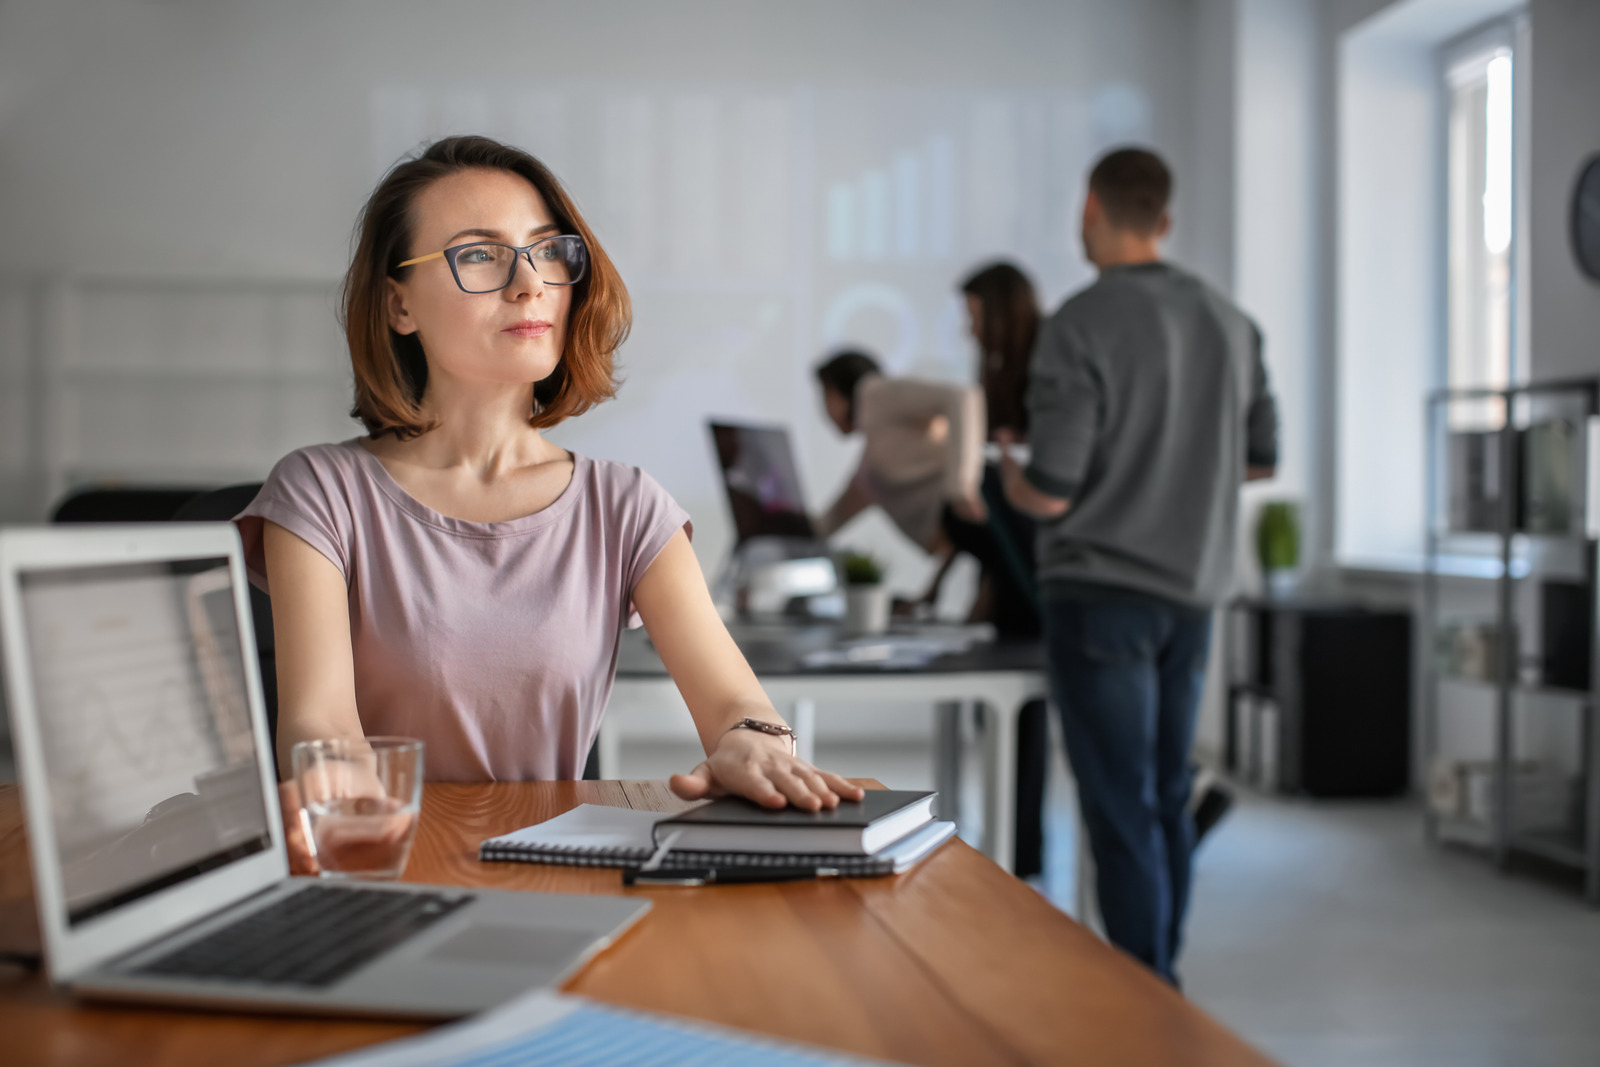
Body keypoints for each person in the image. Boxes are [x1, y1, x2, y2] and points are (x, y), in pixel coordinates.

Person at [235, 136, 863, 871]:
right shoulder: (320, 495)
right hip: (386, 865)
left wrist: (754, 743)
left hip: (564, 875)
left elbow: (737, 704)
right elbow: (321, 724)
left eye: (546, 252)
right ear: (398, 302)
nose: (529, 283)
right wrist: (334, 786)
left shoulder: (626, 507)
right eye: (479, 256)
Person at [1000, 147, 1278, 984]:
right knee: (1162, 799)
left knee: (1120, 809)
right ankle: (1163, 982)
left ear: (1090, 208)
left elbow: (1051, 490)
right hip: (1193, 596)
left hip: (1102, 596)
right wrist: (1176, 465)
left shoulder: (1079, 323)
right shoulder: (1232, 322)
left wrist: (1009, 467)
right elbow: (1260, 460)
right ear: (1165, 219)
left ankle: (1146, 997)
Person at [937, 261, 1050, 878]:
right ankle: (1019, 848)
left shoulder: (1047, 366)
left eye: (976, 316)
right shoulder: (1000, 377)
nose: (970, 330)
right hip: (1018, 568)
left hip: (1041, 559)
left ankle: (1023, 850)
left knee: (1031, 713)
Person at [812, 350, 986, 555]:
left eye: (825, 395)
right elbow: (826, 524)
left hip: (985, 501)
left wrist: (961, 487)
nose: (824, 409)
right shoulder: (871, 467)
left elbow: (963, 396)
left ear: (835, 391)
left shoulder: (872, 393)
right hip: (971, 524)